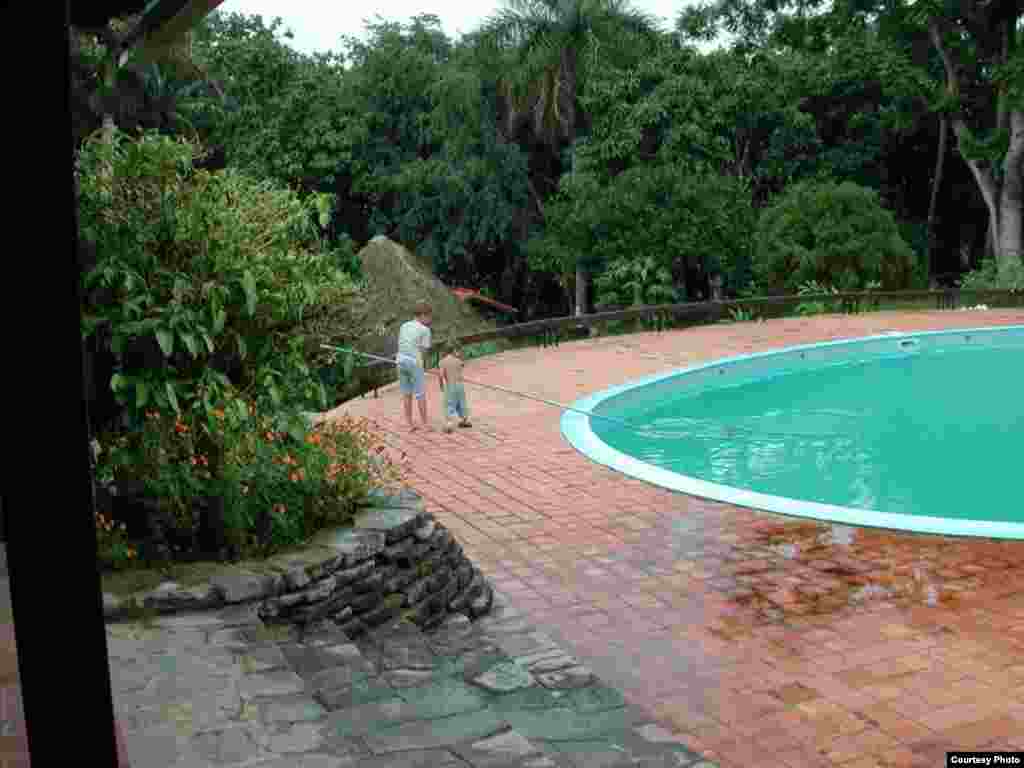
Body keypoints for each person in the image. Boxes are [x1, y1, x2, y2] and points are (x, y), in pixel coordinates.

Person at [396, 301, 434, 431]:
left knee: (406, 393)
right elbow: (424, 352)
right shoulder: (425, 330)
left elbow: (402, 343)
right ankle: (425, 424)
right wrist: (423, 366)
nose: (430, 320)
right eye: (429, 316)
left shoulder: (404, 325)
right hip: (414, 363)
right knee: (420, 393)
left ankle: (409, 423)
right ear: (423, 315)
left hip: (400, 361)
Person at [439, 340, 471, 433]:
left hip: (450, 386)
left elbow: (440, 375)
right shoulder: (458, 361)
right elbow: (463, 364)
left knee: (449, 403)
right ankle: (465, 420)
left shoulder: (443, 362)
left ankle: (449, 424)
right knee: (461, 402)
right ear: (454, 350)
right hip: (460, 386)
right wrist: (458, 356)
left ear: (444, 351)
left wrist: (441, 385)